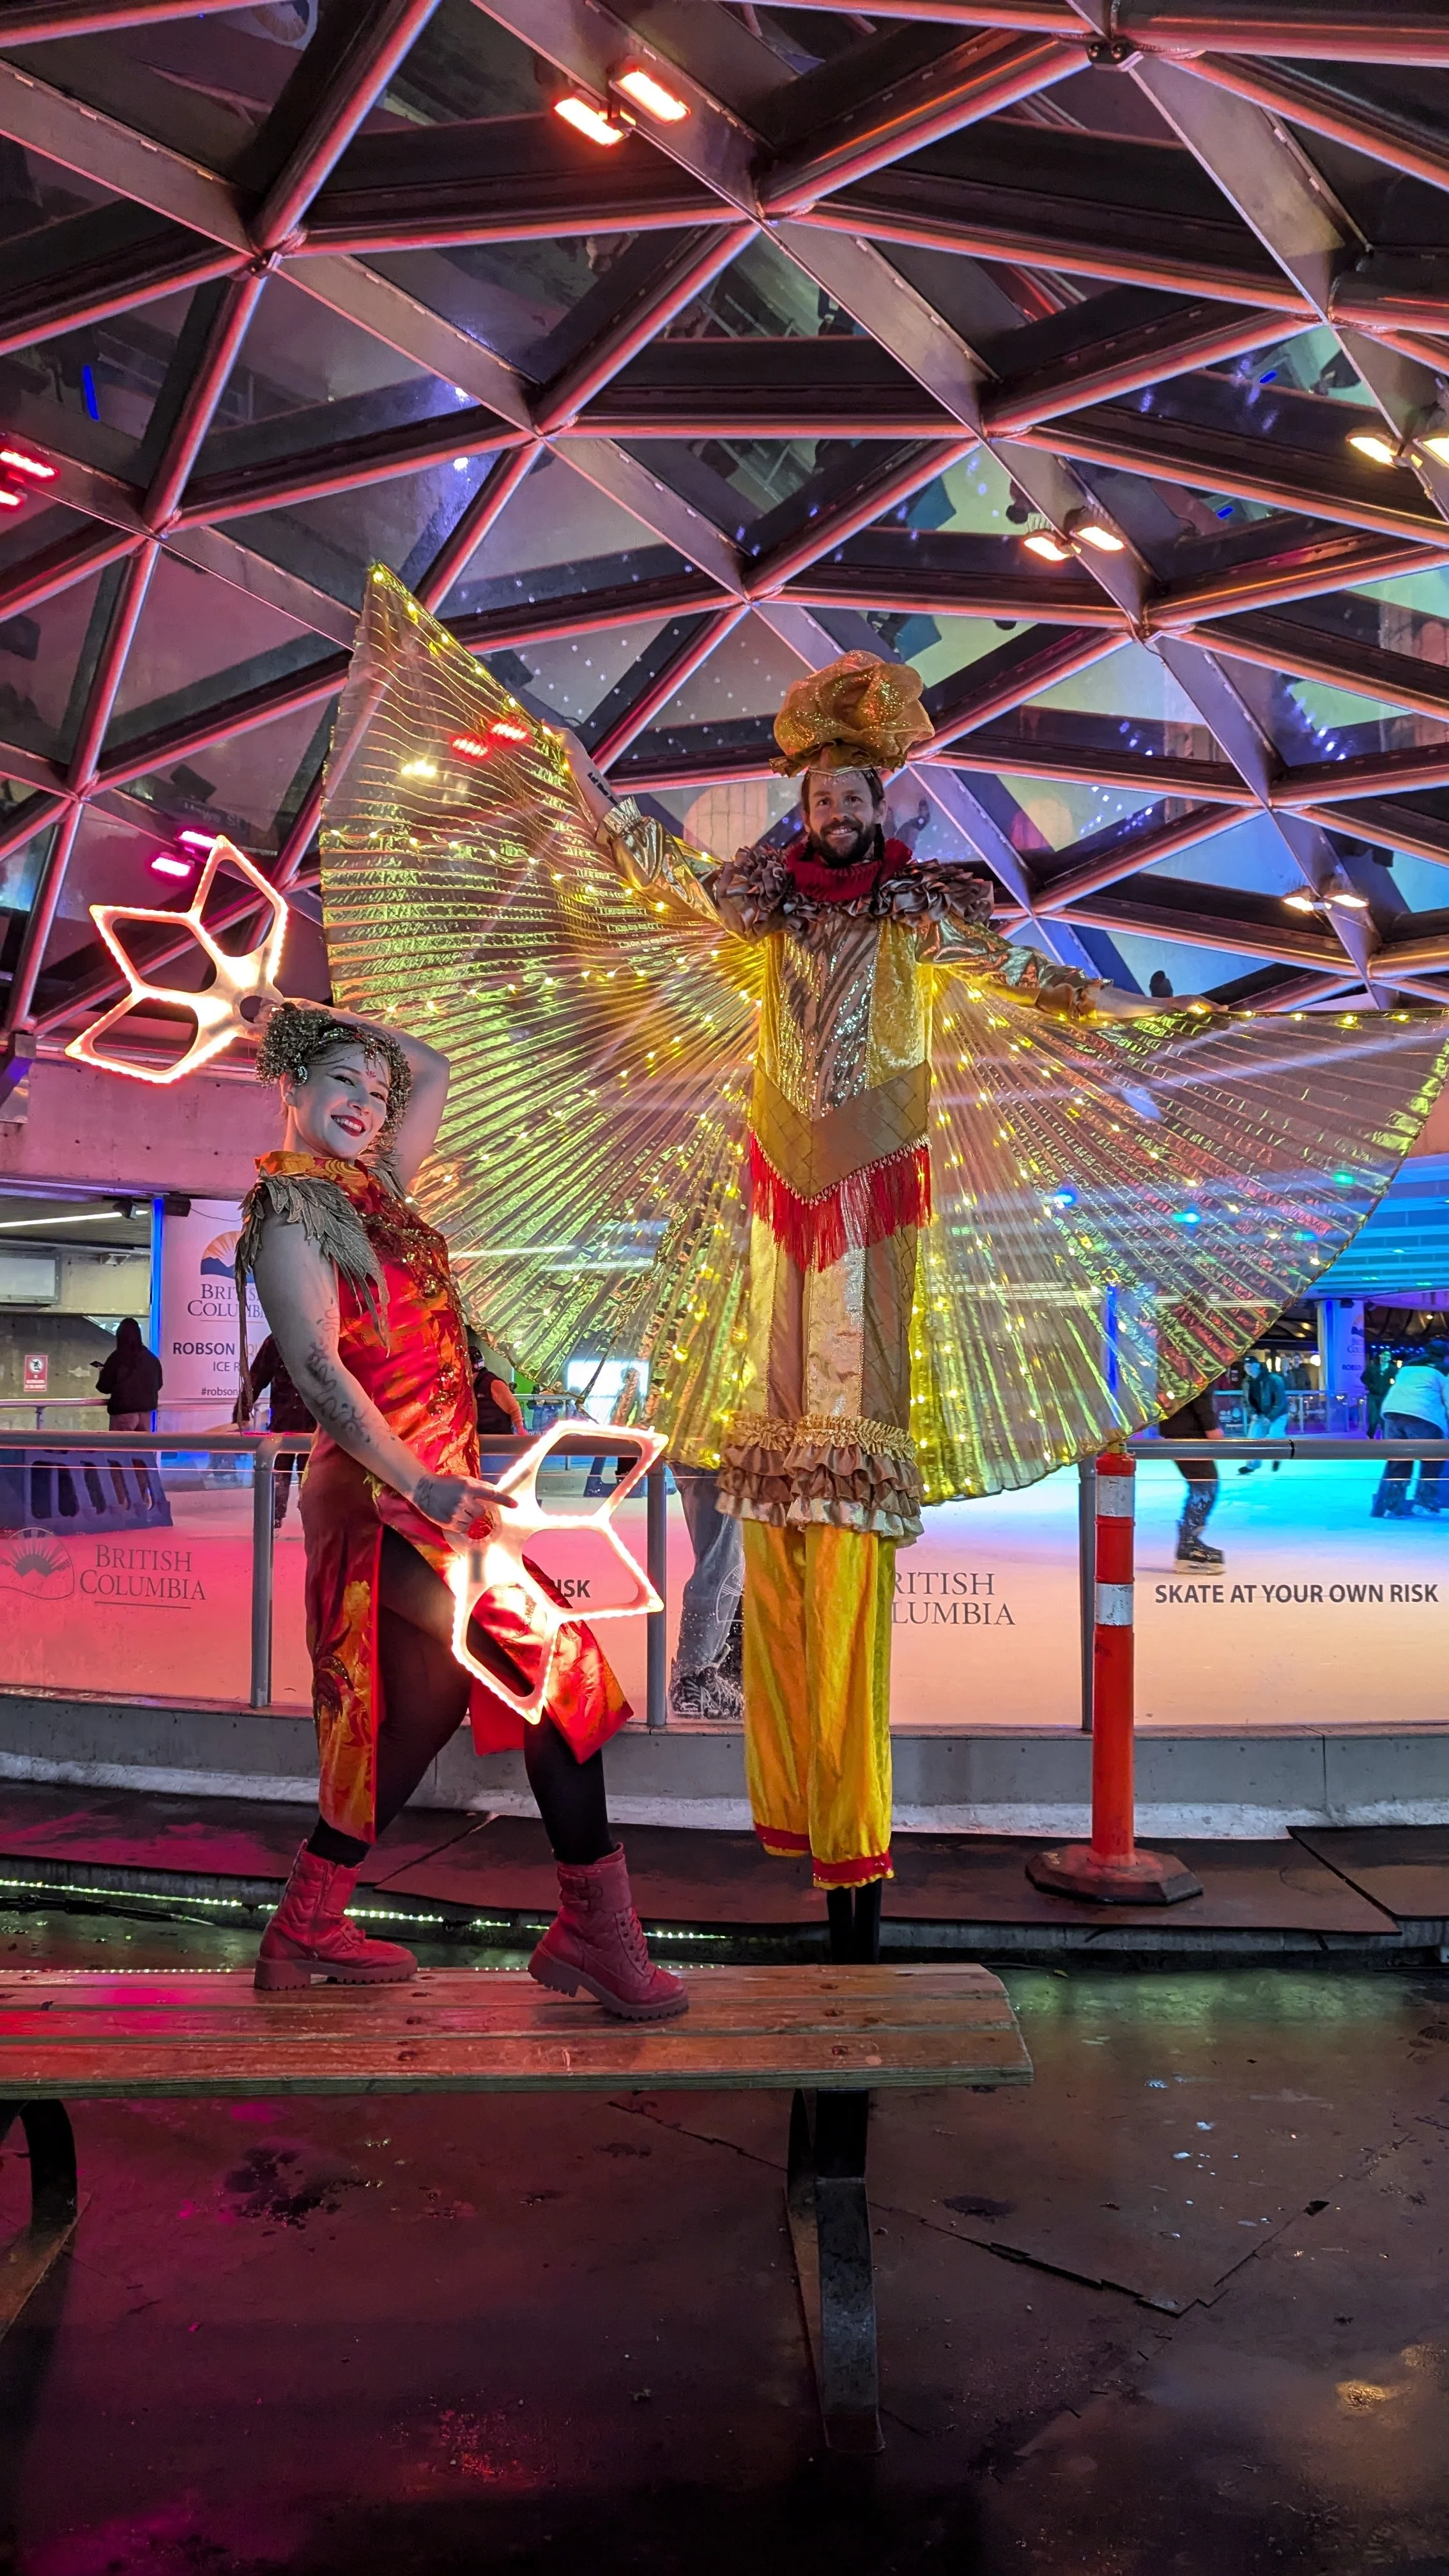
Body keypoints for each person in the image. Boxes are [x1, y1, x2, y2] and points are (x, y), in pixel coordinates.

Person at [569, 654, 1167, 1956]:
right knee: (781, 1463)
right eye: (820, 795)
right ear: (803, 804)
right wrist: (594, 803)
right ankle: (802, 1812)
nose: (835, 810)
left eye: (853, 793)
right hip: (782, 1180)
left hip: (876, 1182)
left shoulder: (920, 906)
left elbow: (1023, 976)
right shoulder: (769, 902)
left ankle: (848, 1836)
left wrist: (1120, 1018)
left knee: (842, 1471)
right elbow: (667, 891)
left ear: (881, 802)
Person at [236, 1000, 684, 2018]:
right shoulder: (289, 1216)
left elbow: (429, 1065)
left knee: (428, 1706)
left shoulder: (376, 1194)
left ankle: (306, 1925)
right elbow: (317, 1367)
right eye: (340, 1082)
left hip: (436, 1495)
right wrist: (421, 1481)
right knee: (561, 1672)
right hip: (386, 1497)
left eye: (374, 1093)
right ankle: (594, 1934)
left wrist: (317, 1020)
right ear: (293, 1090)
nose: (365, 1104)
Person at [670, 1465, 745, 1721]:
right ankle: (693, 1676)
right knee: (720, 1566)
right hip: (713, 1452)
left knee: (727, 1562)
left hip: (718, 1453)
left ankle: (711, 1670)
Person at [234, 1331, 315, 1529]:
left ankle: (312, 1520)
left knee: (312, 1475)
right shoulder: (276, 1340)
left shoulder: (322, 1337)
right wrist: (242, 1412)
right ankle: (273, 1520)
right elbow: (256, 1377)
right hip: (283, 1422)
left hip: (314, 1424)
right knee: (279, 1471)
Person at [1372, 1348, 1449, 1518]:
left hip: (1392, 1414)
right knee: (1433, 1460)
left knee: (1399, 1461)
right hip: (1422, 1417)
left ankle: (1393, 1507)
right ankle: (1425, 1503)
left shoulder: (1407, 1368)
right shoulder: (1443, 1371)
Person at [1162, 1385, 1225, 1566]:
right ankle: (1188, 1546)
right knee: (1205, 1486)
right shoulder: (1193, 1360)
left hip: (1180, 1427)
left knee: (1204, 1485)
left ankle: (1189, 1541)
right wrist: (1211, 1426)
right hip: (1188, 1431)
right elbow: (1198, 1391)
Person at [95, 1317, 162, 1430]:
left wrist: (103, 1372)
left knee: (121, 1447)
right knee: (143, 1448)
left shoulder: (117, 1358)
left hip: (123, 1413)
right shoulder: (152, 1359)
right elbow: (159, 1384)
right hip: (146, 1414)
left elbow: (104, 1387)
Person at [1238, 1356, 1288, 1475]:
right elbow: (1245, 1400)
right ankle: (1252, 1465)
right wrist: (1253, 1413)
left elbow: (1280, 1401)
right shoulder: (1246, 1382)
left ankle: (1277, 1458)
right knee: (1253, 1439)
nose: (1248, 1368)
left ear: (1258, 1366)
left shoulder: (1275, 1380)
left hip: (1278, 1414)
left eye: (1250, 1365)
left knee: (1276, 1436)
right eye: (1246, 1366)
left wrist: (1270, 1417)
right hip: (1260, 1415)